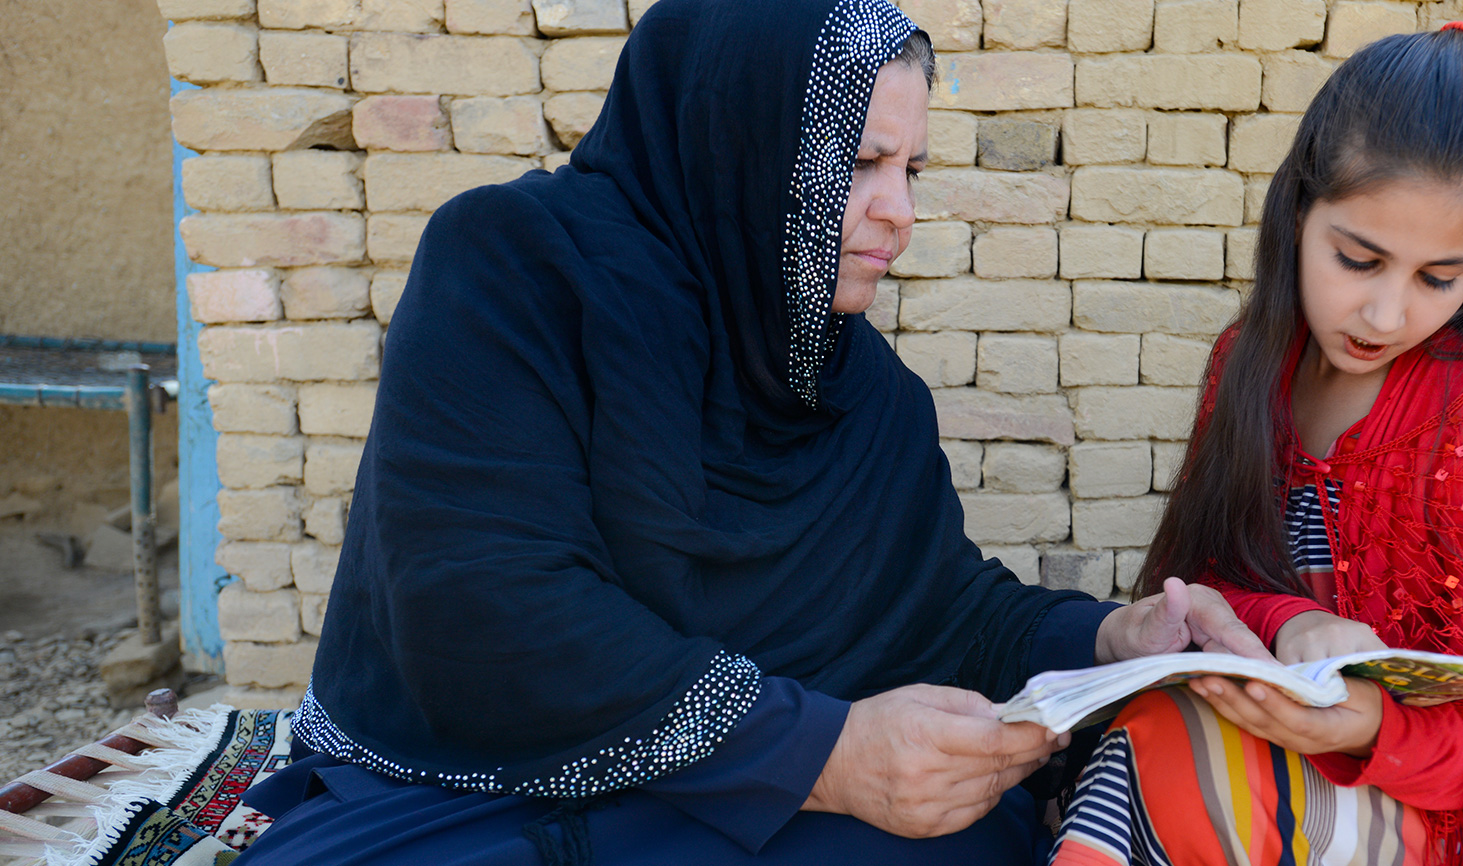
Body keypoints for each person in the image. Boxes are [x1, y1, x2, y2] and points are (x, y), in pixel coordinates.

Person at [230, 2, 1271, 864]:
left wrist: (1108, 637)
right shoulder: (514, 270)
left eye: (909, 169)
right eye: (860, 162)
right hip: (482, 787)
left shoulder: (853, 387)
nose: (897, 211)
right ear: (739, 143)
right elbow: (480, 600)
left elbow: (946, 609)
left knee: (965, 832)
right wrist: (828, 752)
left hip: (738, 790)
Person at [1049, 23, 1463, 866]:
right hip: (1240, 741)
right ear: (1300, 209)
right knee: (1155, 738)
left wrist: (1368, 722)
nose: (1385, 315)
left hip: (1404, 799)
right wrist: (1295, 621)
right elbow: (1204, 581)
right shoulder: (1248, 366)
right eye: (1357, 258)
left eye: (1438, 278)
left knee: (1165, 770)